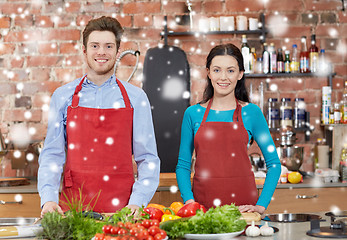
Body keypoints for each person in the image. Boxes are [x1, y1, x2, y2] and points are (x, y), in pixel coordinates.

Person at [37, 16, 160, 217]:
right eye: (95, 46)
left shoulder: (136, 98)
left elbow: (148, 159)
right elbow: (52, 155)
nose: (101, 52)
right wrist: (48, 199)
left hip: (122, 211)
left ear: (118, 51)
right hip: (73, 211)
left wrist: (137, 203)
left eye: (108, 46)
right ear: (84, 51)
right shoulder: (63, 96)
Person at [176, 43, 281, 214]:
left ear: (240, 74)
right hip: (203, 209)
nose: (223, 77)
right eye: (217, 70)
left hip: (244, 209)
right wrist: (190, 202)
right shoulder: (192, 114)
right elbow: (182, 165)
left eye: (230, 71)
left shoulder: (251, 113)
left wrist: (261, 206)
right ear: (208, 73)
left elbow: (274, 164)